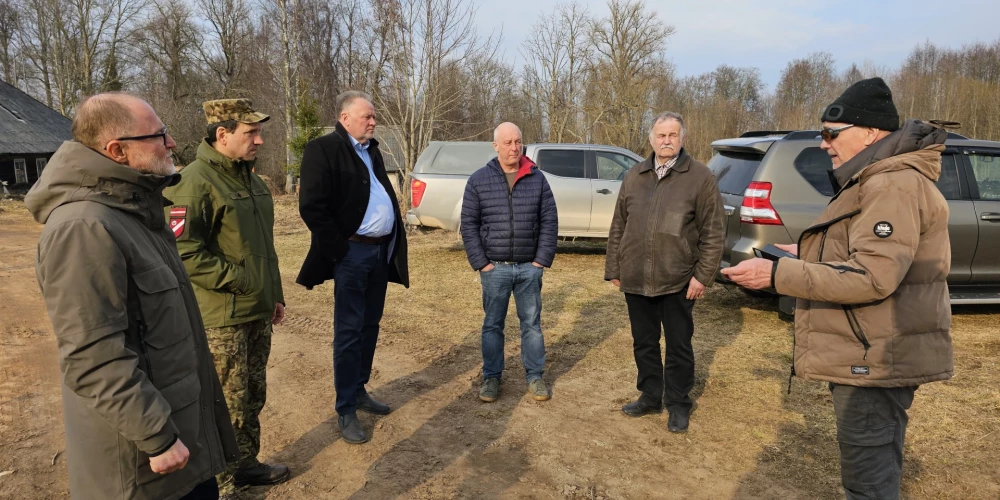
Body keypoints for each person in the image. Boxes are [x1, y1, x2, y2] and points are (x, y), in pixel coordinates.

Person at [722, 77, 953, 499]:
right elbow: (866, 252)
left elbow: (871, 277)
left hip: (876, 358)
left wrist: (775, 276)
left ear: (869, 132)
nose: (824, 143)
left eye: (831, 134)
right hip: (871, 349)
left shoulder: (891, 184)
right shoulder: (877, 178)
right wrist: (802, 250)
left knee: (867, 486)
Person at [26, 92, 239, 499]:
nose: (172, 143)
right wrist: (156, 435)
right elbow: (92, 356)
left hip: (178, 444)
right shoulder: (85, 227)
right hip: (143, 462)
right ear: (117, 150)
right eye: (159, 135)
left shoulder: (135, 212)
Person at [163, 99, 289, 497]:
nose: (260, 139)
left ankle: (245, 464)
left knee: (252, 395)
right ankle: (219, 482)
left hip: (257, 309)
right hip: (222, 316)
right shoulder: (194, 181)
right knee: (224, 404)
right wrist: (240, 281)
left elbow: (262, 246)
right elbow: (183, 252)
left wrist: (274, 293)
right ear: (222, 134)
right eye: (251, 133)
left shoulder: (251, 180)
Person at [297, 91, 409, 445]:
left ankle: (359, 390)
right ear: (345, 118)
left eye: (373, 117)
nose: (373, 122)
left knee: (370, 325)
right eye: (367, 117)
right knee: (348, 331)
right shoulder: (323, 149)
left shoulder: (371, 151)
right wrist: (340, 251)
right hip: (353, 255)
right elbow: (312, 207)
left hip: (379, 254)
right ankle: (345, 407)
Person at [604, 111, 724, 433]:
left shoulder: (700, 177)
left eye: (673, 135)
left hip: (678, 279)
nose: (666, 141)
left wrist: (703, 276)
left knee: (678, 344)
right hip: (636, 278)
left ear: (682, 138)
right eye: (661, 135)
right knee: (643, 342)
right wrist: (614, 266)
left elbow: (714, 231)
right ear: (651, 139)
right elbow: (619, 225)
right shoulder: (634, 176)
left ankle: (678, 402)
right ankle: (650, 395)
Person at [460, 122, 558, 403]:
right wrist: (482, 263)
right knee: (492, 325)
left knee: (532, 324)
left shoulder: (537, 179)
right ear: (495, 146)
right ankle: (491, 378)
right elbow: (469, 224)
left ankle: (535, 376)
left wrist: (541, 260)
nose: (514, 147)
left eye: (518, 141)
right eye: (508, 142)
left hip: (529, 267)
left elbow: (549, 220)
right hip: (495, 268)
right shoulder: (479, 180)